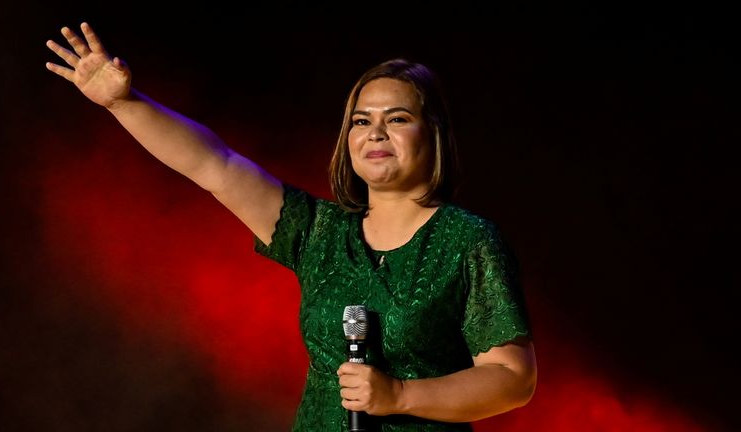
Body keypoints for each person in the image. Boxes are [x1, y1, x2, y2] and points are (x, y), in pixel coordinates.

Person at [46, 22, 538, 431]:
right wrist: (124, 103)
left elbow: (512, 379)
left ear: (433, 134)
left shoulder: (469, 240)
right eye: (361, 121)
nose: (376, 133)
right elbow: (215, 165)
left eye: (398, 118)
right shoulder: (319, 232)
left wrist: (401, 395)